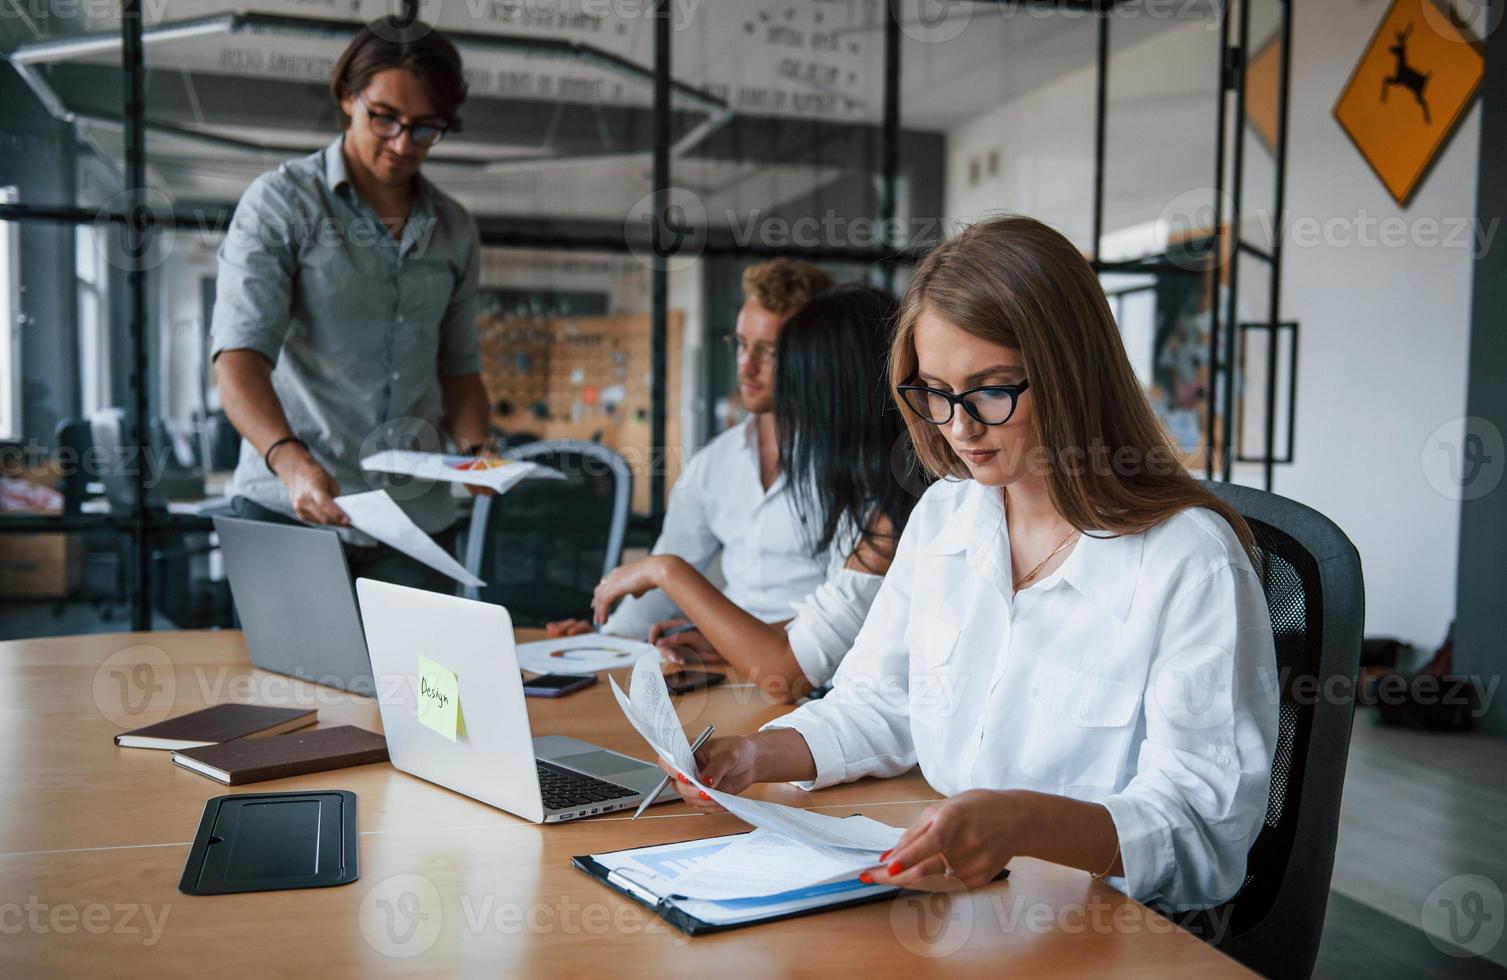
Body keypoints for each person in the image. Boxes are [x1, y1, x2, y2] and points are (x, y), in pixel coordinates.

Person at [658, 216, 1279, 913]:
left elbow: (1201, 831)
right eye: (934, 392)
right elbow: (883, 698)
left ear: (1072, 374)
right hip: (953, 896)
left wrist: (1023, 823)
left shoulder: (1188, 561)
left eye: (990, 389)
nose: (958, 427)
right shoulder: (946, 517)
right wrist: (756, 755)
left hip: (1100, 925)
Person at [210, 19, 491, 591]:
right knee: (296, 683)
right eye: (383, 117)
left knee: (423, 683)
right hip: (291, 509)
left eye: (424, 129)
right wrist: (289, 460)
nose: (401, 143)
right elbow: (238, 358)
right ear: (347, 97)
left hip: (415, 524)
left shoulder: (454, 228)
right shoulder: (281, 203)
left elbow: (459, 370)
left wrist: (480, 452)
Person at [586, 285, 917, 702]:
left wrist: (664, 570)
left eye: (799, 390)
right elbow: (832, 632)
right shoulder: (872, 500)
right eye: (741, 346)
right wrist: (730, 644)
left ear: (839, 399)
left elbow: (784, 676)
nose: (791, 413)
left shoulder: (894, 519)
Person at [546, 258, 834, 657]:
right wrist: (607, 641)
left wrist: (725, 640)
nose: (746, 367)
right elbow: (668, 576)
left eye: (767, 351)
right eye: (741, 345)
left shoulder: (850, 464)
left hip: (818, 670)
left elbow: (855, 613)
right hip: (729, 661)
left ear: (813, 353)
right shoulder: (716, 462)